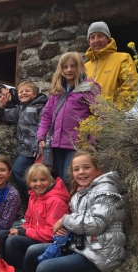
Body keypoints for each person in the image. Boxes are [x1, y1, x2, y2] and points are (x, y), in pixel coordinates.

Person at [21, 149, 126, 272]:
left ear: (97, 170)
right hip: (82, 245)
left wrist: (65, 220)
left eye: (86, 168)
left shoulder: (106, 189)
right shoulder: (79, 194)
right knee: (32, 251)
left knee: (44, 268)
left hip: (100, 253)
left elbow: (97, 223)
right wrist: (65, 230)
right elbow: (80, 224)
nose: (81, 172)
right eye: (76, 169)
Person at [37, 52, 100, 188]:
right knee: (58, 178)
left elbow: (99, 116)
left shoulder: (90, 87)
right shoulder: (57, 90)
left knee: (70, 178)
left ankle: (75, 207)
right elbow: (47, 115)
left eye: (73, 66)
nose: (69, 70)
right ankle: (63, 208)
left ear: (80, 67)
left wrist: (91, 140)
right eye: (65, 67)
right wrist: (41, 137)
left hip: (77, 143)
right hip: (56, 143)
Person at [0, 164, 70, 272]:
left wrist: (23, 232)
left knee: (12, 242)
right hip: (36, 235)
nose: (38, 184)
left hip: (49, 241)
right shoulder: (34, 197)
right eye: (34, 180)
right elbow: (28, 221)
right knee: (3, 234)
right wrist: (20, 229)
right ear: (29, 183)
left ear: (50, 181)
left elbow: (51, 233)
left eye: (43, 180)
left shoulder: (56, 201)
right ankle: (2, 270)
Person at [0, 81, 48, 201]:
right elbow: (1, 116)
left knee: (43, 174)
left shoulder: (41, 107)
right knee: (18, 170)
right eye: (21, 91)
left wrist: (36, 146)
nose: (23, 93)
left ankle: (45, 200)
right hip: (25, 149)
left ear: (34, 94)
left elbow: (43, 127)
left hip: (39, 147)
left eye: (27, 91)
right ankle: (32, 198)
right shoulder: (19, 109)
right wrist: (1, 107)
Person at [85, 21, 138, 111]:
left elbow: (130, 89)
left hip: (111, 121)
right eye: (92, 37)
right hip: (87, 122)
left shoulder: (123, 59)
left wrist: (113, 113)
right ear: (89, 42)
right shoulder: (84, 67)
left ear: (108, 38)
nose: (96, 40)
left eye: (100, 36)